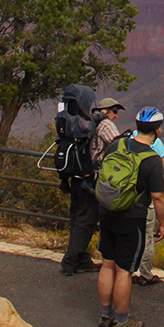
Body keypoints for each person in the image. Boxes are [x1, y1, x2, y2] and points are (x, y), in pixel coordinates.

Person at [96, 106, 164, 327]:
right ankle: (122, 320)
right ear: (157, 130)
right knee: (124, 270)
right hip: (131, 217)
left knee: (107, 263)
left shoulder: (117, 144)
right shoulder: (152, 159)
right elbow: (158, 197)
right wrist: (163, 224)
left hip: (106, 210)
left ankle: (105, 315)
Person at [60, 85, 104, 277]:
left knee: (77, 218)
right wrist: (101, 117)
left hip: (73, 178)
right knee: (86, 221)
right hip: (86, 179)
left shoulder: (65, 119)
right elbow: (91, 126)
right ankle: (70, 262)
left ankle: (82, 258)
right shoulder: (82, 123)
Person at [131, 121, 164, 287]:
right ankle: (145, 273)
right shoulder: (155, 143)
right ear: (154, 129)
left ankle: (130, 269)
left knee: (132, 235)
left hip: (128, 196)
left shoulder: (129, 138)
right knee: (147, 236)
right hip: (145, 198)